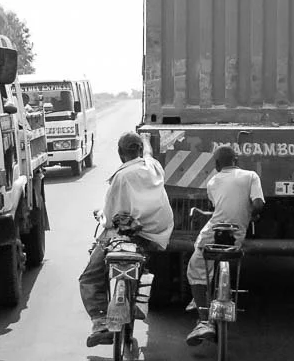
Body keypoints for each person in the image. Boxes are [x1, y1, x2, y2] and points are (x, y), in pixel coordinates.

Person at [79, 131, 174, 346]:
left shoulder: (121, 177)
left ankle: (100, 322)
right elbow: (147, 153)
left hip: (129, 236)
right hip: (157, 236)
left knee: (90, 276)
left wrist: (100, 216)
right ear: (139, 150)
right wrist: (146, 140)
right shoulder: (154, 166)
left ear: (120, 154)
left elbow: (112, 217)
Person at [185, 146, 265, 345]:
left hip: (214, 232)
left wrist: (205, 216)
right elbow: (258, 204)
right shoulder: (251, 176)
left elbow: (221, 210)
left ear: (217, 164)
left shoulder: (213, 182)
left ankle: (203, 320)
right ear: (236, 160)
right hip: (237, 233)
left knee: (196, 268)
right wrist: (252, 214)